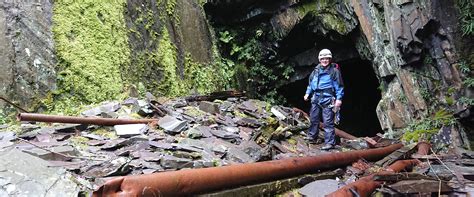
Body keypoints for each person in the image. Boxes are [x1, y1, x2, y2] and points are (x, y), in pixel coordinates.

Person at [303, 49, 344, 150]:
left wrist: (339, 99)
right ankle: (312, 137)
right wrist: (307, 93)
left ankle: (330, 143)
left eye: (326, 58)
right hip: (316, 98)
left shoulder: (334, 71)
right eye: (323, 58)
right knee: (313, 119)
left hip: (328, 99)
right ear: (319, 59)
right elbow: (311, 84)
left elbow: (339, 86)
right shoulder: (316, 71)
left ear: (329, 59)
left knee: (328, 122)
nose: (324, 60)